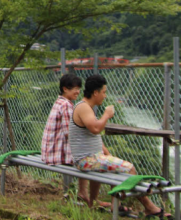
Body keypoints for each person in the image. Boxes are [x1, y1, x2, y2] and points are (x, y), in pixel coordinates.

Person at [69, 75, 172, 218]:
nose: (105, 96)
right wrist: (106, 115)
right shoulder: (84, 108)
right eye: (104, 92)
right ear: (95, 93)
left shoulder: (85, 107)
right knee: (129, 168)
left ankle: (109, 205)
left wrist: (107, 153)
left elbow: (94, 137)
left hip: (90, 158)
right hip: (86, 160)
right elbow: (96, 129)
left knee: (113, 166)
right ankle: (149, 207)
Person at [41, 73, 110, 209]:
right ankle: (90, 197)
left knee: (86, 154)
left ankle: (84, 193)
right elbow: (70, 134)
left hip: (50, 151)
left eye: (79, 88)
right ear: (65, 89)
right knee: (89, 157)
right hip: (56, 153)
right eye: (74, 88)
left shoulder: (59, 101)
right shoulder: (67, 105)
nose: (77, 91)